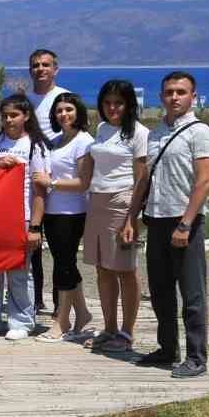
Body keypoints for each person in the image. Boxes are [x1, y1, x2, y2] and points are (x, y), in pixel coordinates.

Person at [126, 71, 209, 379]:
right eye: (169, 92)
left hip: (184, 221)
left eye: (181, 92)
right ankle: (167, 348)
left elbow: (204, 181)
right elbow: (144, 180)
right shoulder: (155, 134)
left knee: (192, 293)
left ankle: (196, 357)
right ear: (161, 96)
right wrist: (132, 218)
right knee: (161, 290)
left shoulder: (199, 132)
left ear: (193, 95)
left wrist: (186, 223)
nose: (174, 97)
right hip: (156, 220)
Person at [74, 79, 149, 353]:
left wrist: (132, 218)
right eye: (107, 102)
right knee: (103, 268)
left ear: (129, 104)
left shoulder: (139, 133)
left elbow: (141, 177)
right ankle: (109, 328)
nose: (112, 107)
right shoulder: (103, 129)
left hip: (122, 201)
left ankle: (127, 333)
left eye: (118, 102)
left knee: (125, 269)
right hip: (97, 200)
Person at [0, 95, 50, 341]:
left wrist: (35, 226)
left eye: (13, 115)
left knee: (19, 273)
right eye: (4, 115)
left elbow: (40, 190)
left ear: (26, 116)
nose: (8, 120)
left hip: (21, 217)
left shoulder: (36, 145)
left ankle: (22, 320)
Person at [31, 93, 94, 342]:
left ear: (78, 111)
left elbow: (83, 182)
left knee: (63, 266)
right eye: (59, 111)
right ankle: (83, 314)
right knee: (64, 263)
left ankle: (61, 321)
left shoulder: (84, 141)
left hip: (73, 212)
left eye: (68, 109)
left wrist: (52, 182)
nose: (64, 114)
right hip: (52, 211)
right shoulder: (56, 141)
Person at [26, 48, 70, 313]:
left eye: (45, 65)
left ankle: (59, 304)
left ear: (55, 68)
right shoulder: (25, 101)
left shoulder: (63, 98)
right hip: (32, 182)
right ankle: (34, 300)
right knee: (32, 242)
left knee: (59, 246)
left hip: (59, 182)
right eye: (35, 65)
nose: (40, 69)